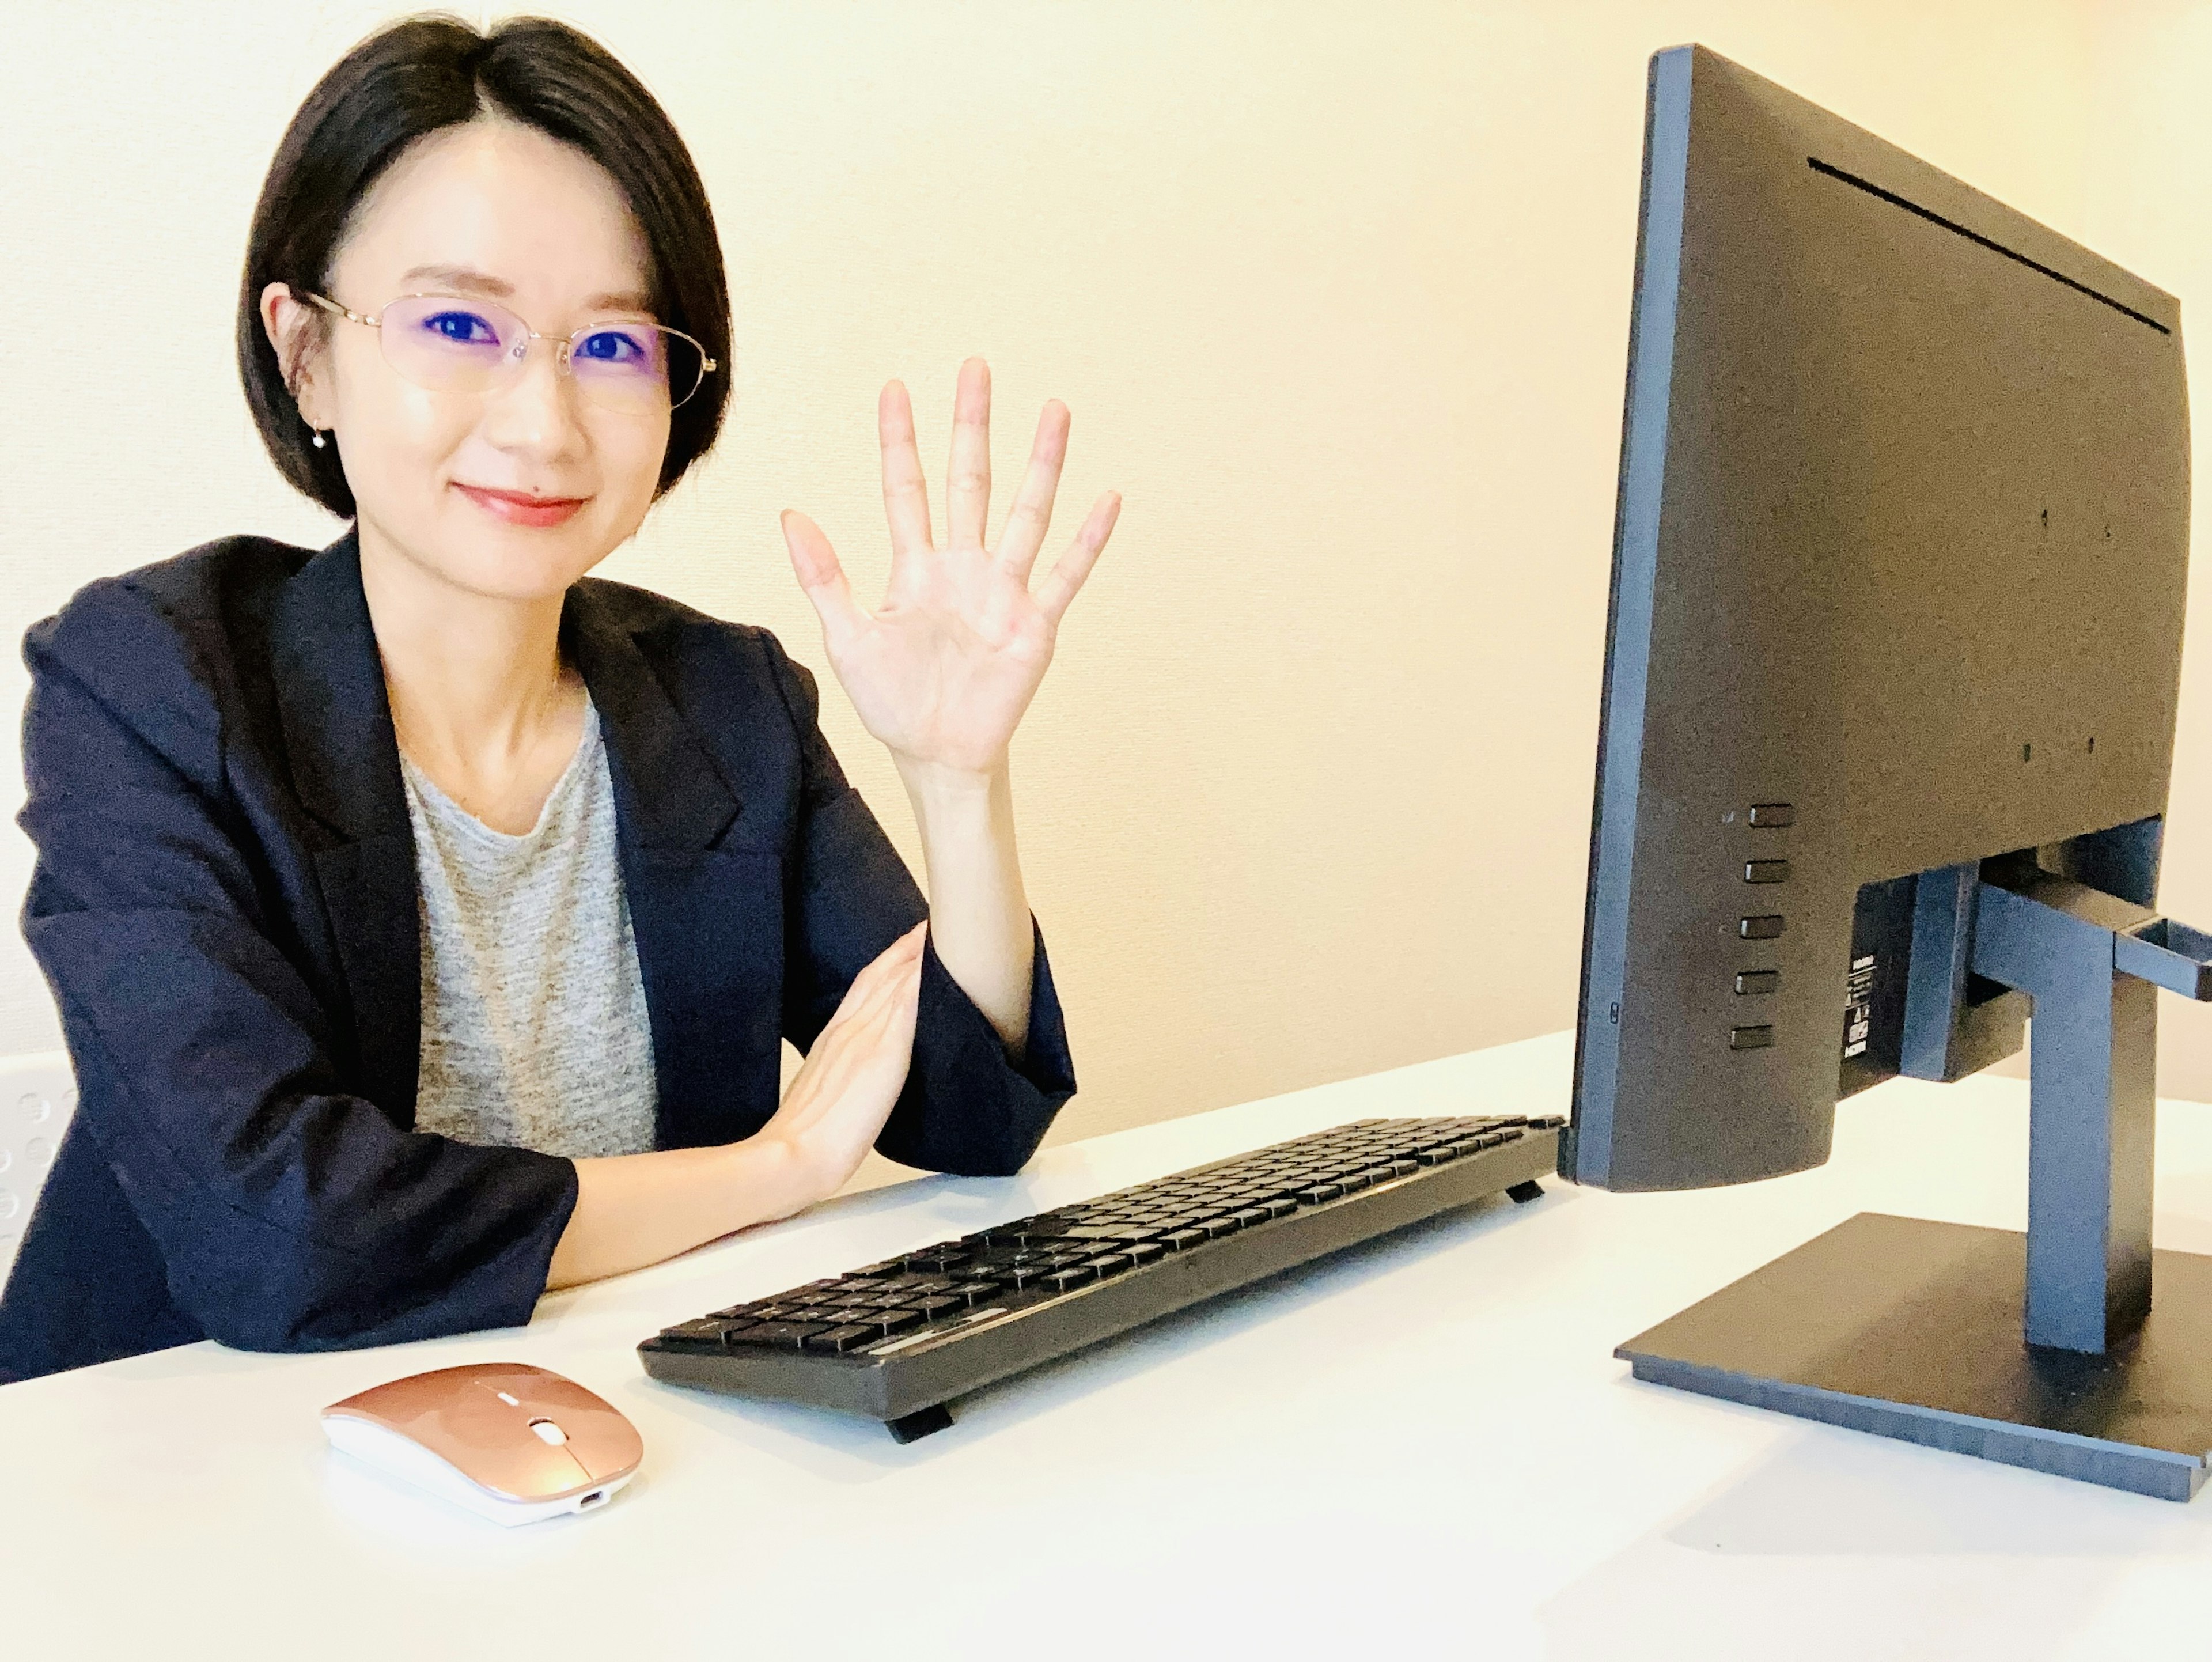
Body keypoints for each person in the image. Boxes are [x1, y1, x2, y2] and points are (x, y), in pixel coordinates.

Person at [0, 14, 1117, 1383]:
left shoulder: (724, 701)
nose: (544, 422)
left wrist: (958, 782)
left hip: (613, 1466)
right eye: (461, 323)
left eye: (613, 345)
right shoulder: (152, 681)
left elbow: (965, 1111)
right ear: (306, 355)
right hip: (176, 1478)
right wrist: (768, 1172)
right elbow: (283, 1233)